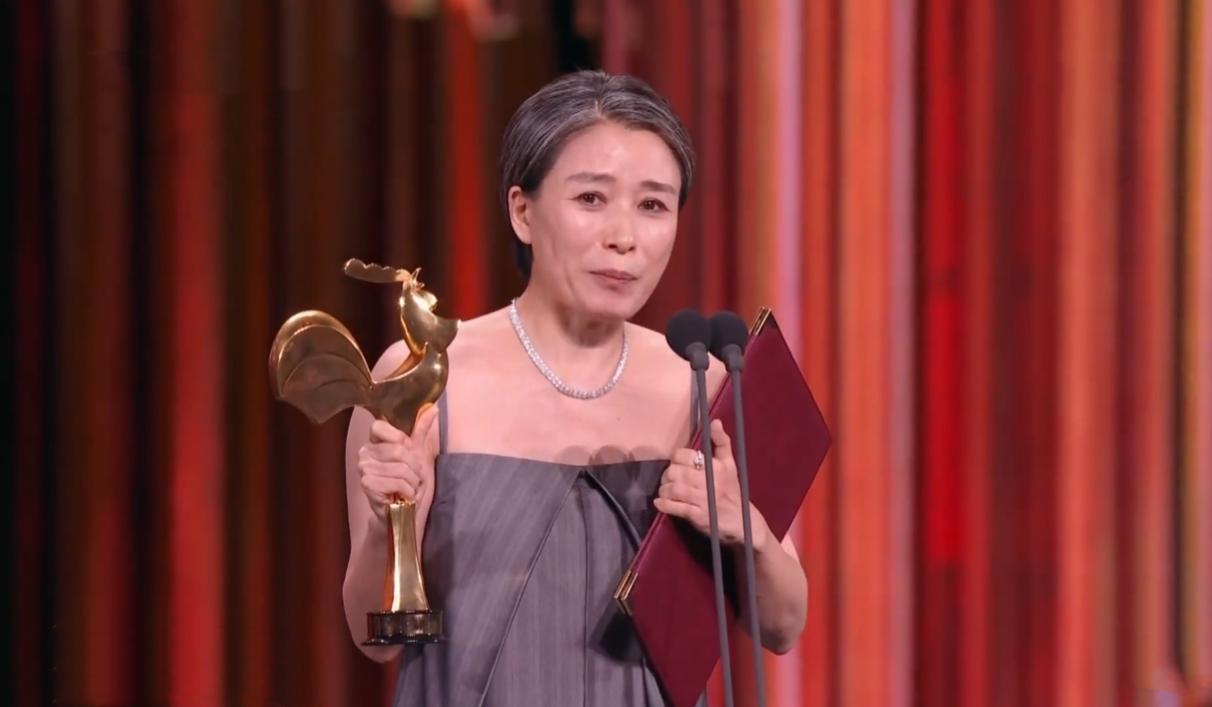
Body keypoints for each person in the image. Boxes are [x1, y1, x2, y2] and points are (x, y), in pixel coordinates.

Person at [343, 70, 807, 706]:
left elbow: (783, 625)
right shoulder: (423, 377)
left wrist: (744, 530)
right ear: (522, 212)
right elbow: (375, 640)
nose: (624, 237)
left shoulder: (705, 379)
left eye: (653, 206)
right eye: (591, 198)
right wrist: (386, 523)